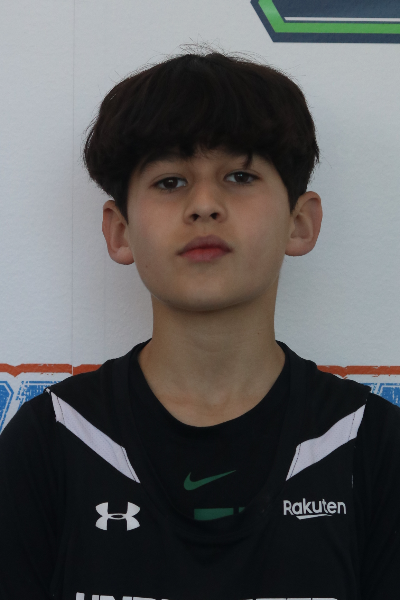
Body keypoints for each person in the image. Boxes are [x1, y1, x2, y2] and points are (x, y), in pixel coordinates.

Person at [1, 46, 399, 600]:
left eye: (239, 175)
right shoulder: (51, 441)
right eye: (170, 182)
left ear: (300, 222)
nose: (205, 205)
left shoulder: (371, 445)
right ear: (120, 231)